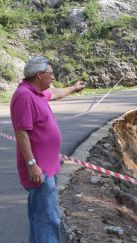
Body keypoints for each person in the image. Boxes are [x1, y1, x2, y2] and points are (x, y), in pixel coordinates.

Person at [10, 56, 85, 243]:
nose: (53, 77)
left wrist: (74, 88)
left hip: (46, 167)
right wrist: (31, 164)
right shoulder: (24, 96)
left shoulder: (37, 92)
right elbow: (21, 133)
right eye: (50, 74)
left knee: (40, 216)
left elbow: (56, 92)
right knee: (48, 218)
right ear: (39, 75)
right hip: (39, 170)